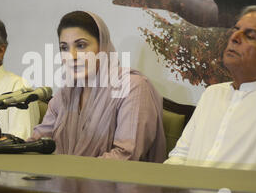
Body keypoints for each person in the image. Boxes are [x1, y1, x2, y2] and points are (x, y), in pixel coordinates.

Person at [165, 5, 256, 173]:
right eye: (236, 30)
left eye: (250, 36)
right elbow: (180, 155)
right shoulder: (212, 93)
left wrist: (238, 192)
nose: (235, 37)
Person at [28, 11, 166, 162]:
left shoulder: (132, 87)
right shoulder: (65, 94)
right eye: (64, 48)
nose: (72, 56)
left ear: (102, 47)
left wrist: (71, 175)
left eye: (81, 45)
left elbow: (127, 155)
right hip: (63, 181)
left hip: (113, 184)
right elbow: (38, 144)